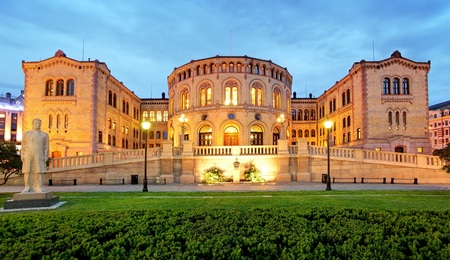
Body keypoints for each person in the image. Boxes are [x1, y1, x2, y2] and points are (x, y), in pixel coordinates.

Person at [21, 118, 49, 193]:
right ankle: (27, 187)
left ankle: (39, 186)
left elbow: (46, 146)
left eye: (39, 123)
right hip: (28, 154)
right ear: (32, 124)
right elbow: (23, 145)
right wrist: (22, 154)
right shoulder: (27, 134)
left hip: (39, 154)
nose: (38, 125)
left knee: (39, 170)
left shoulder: (44, 135)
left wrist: (46, 156)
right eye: (36, 123)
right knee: (27, 171)